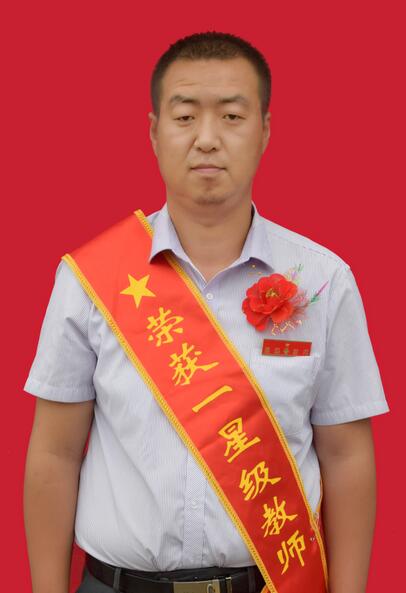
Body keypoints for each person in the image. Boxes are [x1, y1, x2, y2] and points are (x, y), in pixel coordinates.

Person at [23, 31, 389, 593]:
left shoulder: (322, 280)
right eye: (185, 117)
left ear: (265, 130)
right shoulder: (90, 280)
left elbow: (346, 456)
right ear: (154, 132)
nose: (208, 139)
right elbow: (55, 452)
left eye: (233, 116)